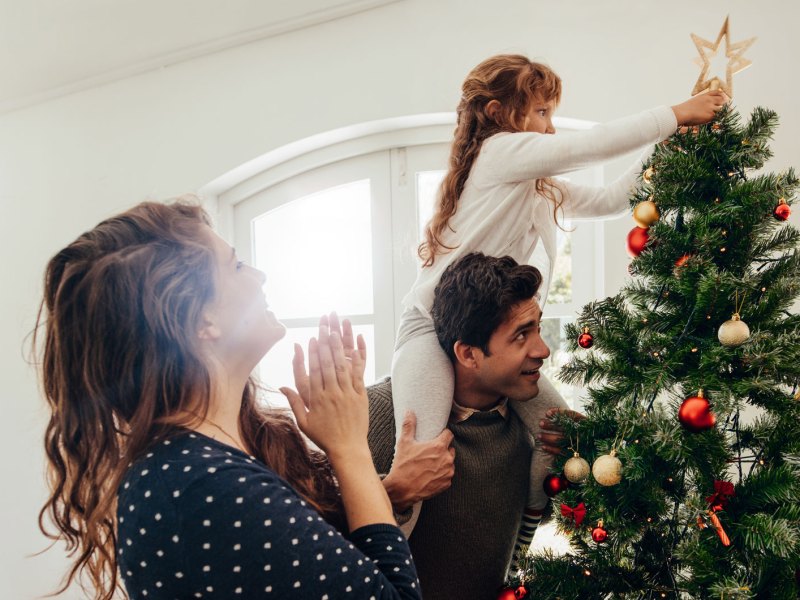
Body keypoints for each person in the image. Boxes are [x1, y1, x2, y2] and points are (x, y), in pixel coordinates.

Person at [390, 53, 728, 553]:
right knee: (422, 455)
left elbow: (614, 198)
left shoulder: (538, 186)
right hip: (430, 330)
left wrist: (670, 140)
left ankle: (522, 539)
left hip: (497, 336)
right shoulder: (499, 154)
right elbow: (589, 146)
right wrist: (676, 112)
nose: (550, 130)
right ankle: (385, 558)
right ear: (498, 113)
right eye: (542, 113)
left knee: (560, 435)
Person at [36, 201, 422, 599]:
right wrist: (350, 447)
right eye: (236, 266)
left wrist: (387, 486)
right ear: (204, 321)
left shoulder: (206, 462)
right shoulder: (203, 486)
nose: (259, 275)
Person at [369, 252, 578, 599]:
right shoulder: (378, 415)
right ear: (468, 354)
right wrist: (395, 491)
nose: (543, 350)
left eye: (538, 328)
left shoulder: (526, 430)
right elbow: (319, 540)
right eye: (521, 335)